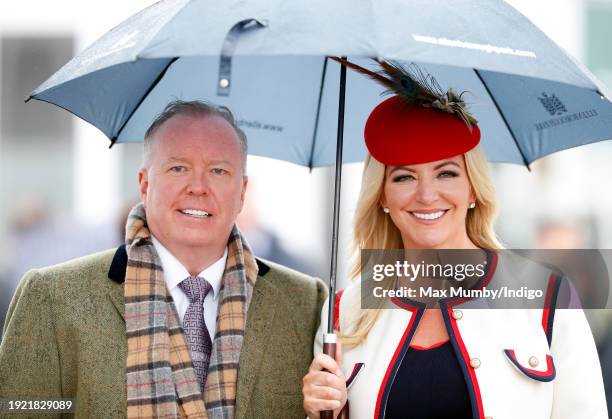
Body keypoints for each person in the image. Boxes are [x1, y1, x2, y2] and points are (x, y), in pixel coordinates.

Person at [302, 61, 608, 418]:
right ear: (382, 196)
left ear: (473, 189)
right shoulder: (343, 313)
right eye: (404, 178)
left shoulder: (547, 295)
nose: (427, 195)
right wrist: (323, 413)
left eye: (446, 173)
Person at [0, 100, 326, 418]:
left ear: (241, 192)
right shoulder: (53, 297)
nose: (198, 187)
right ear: (144, 184)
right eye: (178, 168)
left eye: (217, 170)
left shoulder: (304, 303)